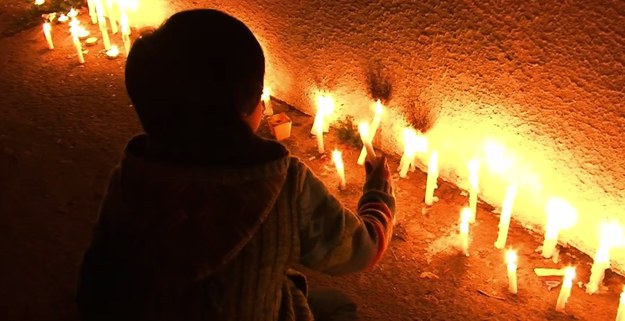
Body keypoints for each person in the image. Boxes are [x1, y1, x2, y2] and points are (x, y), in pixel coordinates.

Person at [76, 8, 395, 321]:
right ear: (246, 101)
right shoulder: (283, 185)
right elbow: (360, 250)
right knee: (338, 306)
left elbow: (97, 280)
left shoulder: (131, 180)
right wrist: (378, 195)